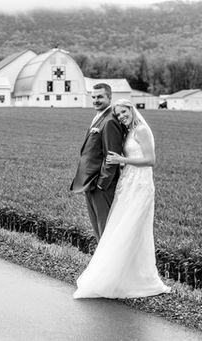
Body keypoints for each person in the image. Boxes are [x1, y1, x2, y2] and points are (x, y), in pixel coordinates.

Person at [73, 98, 171, 299]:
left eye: (124, 112)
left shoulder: (142, 130)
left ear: (132, 109)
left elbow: (151, 160)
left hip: (140, 186)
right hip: (127, 184)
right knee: (120, 228)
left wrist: (121, 160)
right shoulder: (128, 132)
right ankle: (119, 275)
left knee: (132, 229)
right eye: (118, 115)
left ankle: (136, 279)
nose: (122, 117)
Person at [70, 83, 126, 241]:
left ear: (110, 97)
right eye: (93, 97)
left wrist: (102, 184)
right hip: (91, 182)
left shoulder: (109, 121)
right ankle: (102, 263)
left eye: (100, 97)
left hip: (101, 185)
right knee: (98, 230)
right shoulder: (100, 116)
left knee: (105, 230)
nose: (95, 100)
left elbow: (112, 155)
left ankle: (110, 264)